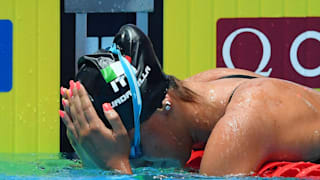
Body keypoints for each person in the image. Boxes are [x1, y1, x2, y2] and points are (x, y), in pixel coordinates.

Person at [59, 24, 320, 176]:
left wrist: (116, 167)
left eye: (134, 149)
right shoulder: (203, 91)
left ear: (163, 106)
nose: (140, 164)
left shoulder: (239, 127)